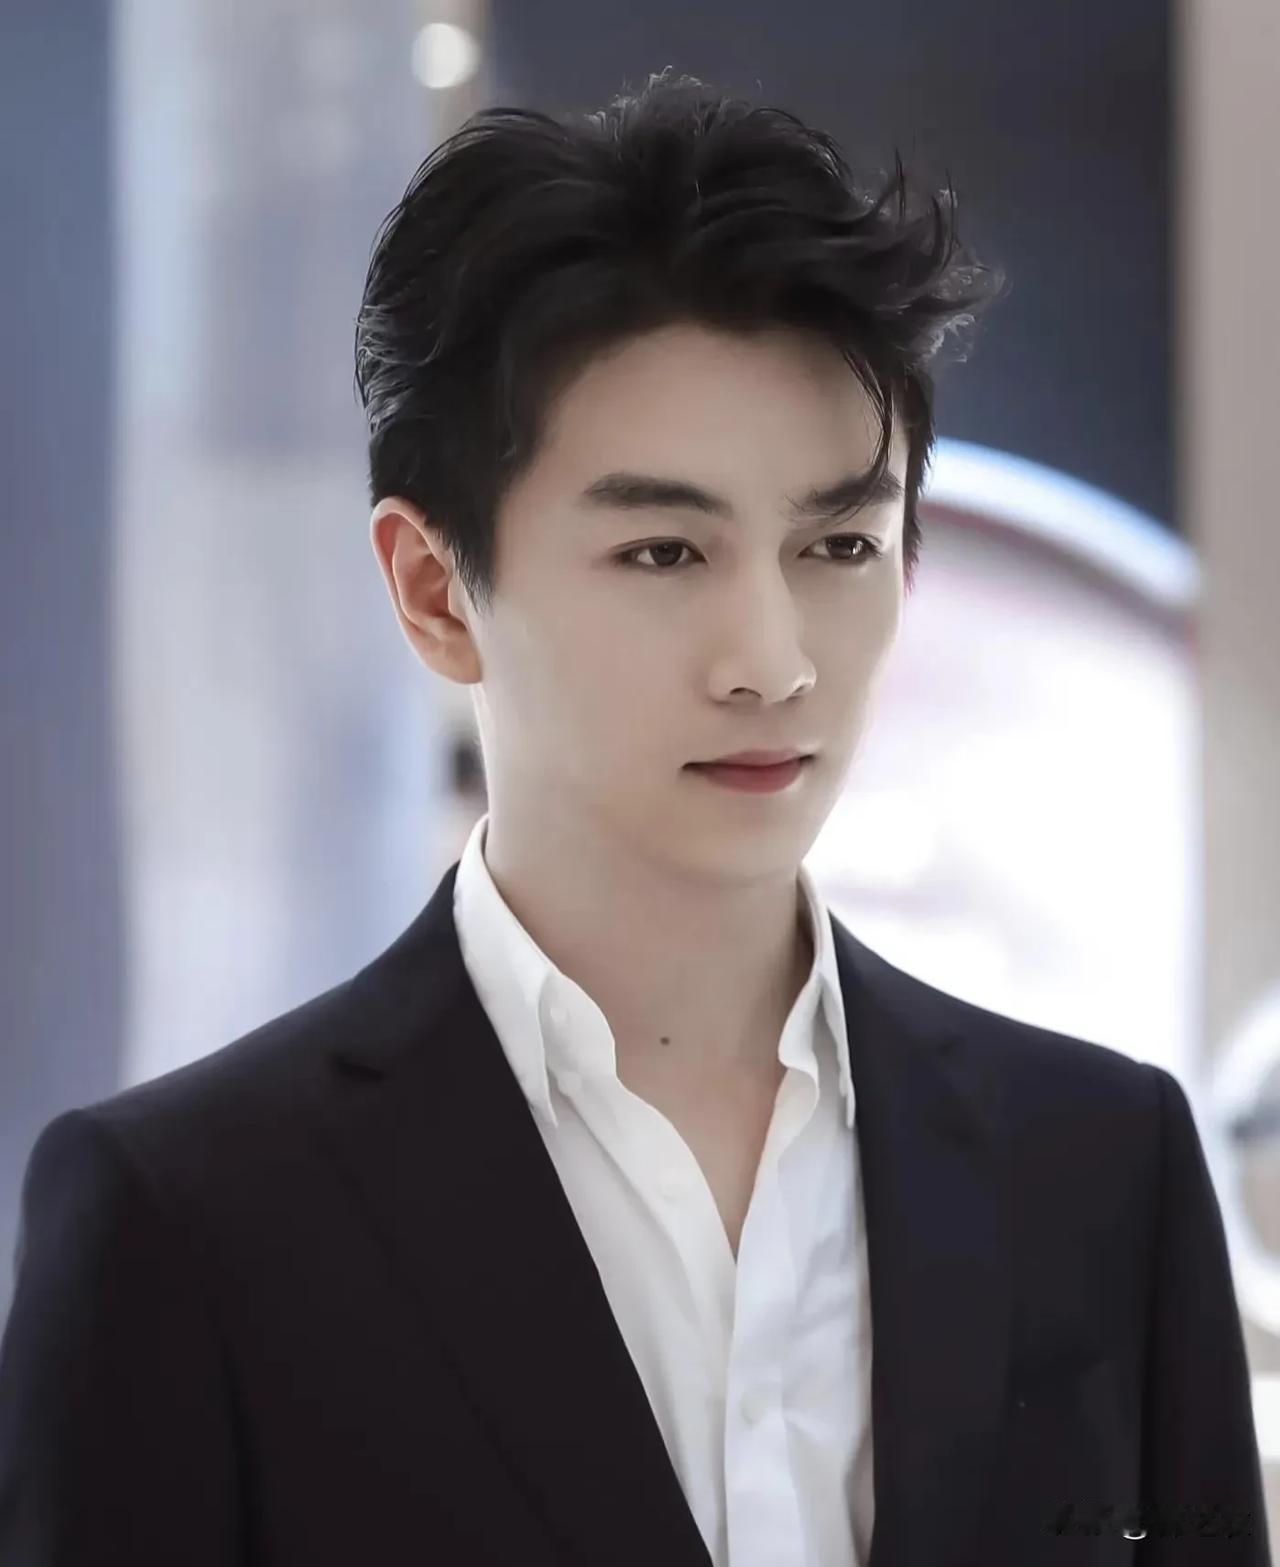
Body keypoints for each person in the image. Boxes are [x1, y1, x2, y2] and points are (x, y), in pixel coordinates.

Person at [0, 66, 1268, 1567]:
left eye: (840, 545)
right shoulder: (193, 1221)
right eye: (665, 552)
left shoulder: (1105, 1172)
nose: (773, 663)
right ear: (434, 589)